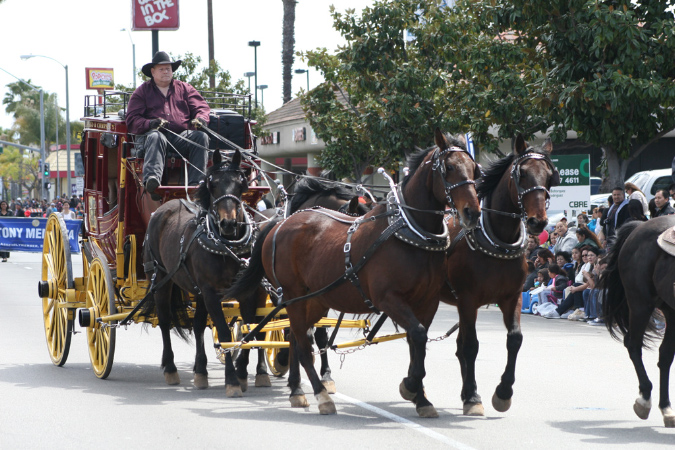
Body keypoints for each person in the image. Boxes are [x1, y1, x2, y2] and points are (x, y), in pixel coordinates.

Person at [125, 51, 211, 200]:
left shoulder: (185, 88)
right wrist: (150, 123)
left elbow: (202, 107)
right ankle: (152, 180)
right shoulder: (141, 92)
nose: (166, 72)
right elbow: (132, 119)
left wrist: (201, 119)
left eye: (168, 69)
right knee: (155, 136)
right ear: (153, 72)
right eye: (162, 69)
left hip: (181, 137)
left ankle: (196, 186)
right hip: (155, 139)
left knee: (201, 136)